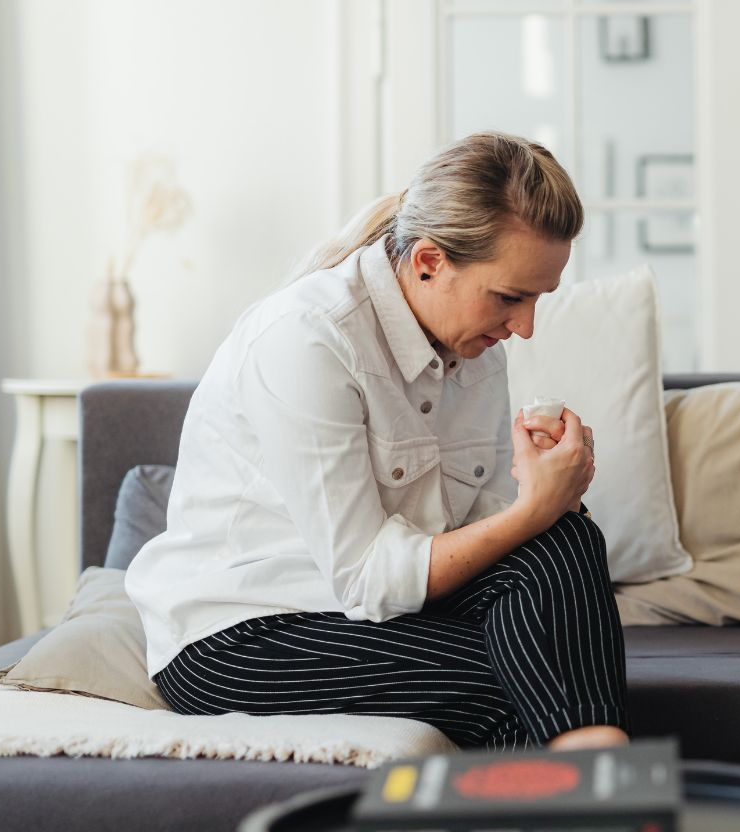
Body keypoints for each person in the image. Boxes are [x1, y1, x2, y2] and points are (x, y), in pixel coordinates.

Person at [126, 132, 629, 751]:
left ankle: (601, 781)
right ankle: (605, 788)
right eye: (509, 297)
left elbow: (491, 534)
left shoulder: (475, 349)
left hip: (379, 615)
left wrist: (554, 489)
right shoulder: (308, 339)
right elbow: (367, 577)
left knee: (566, 536)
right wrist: (533, 509)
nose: (523, 328)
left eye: (537, 300)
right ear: (427, 262)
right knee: (516, 681)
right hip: (241, 631)